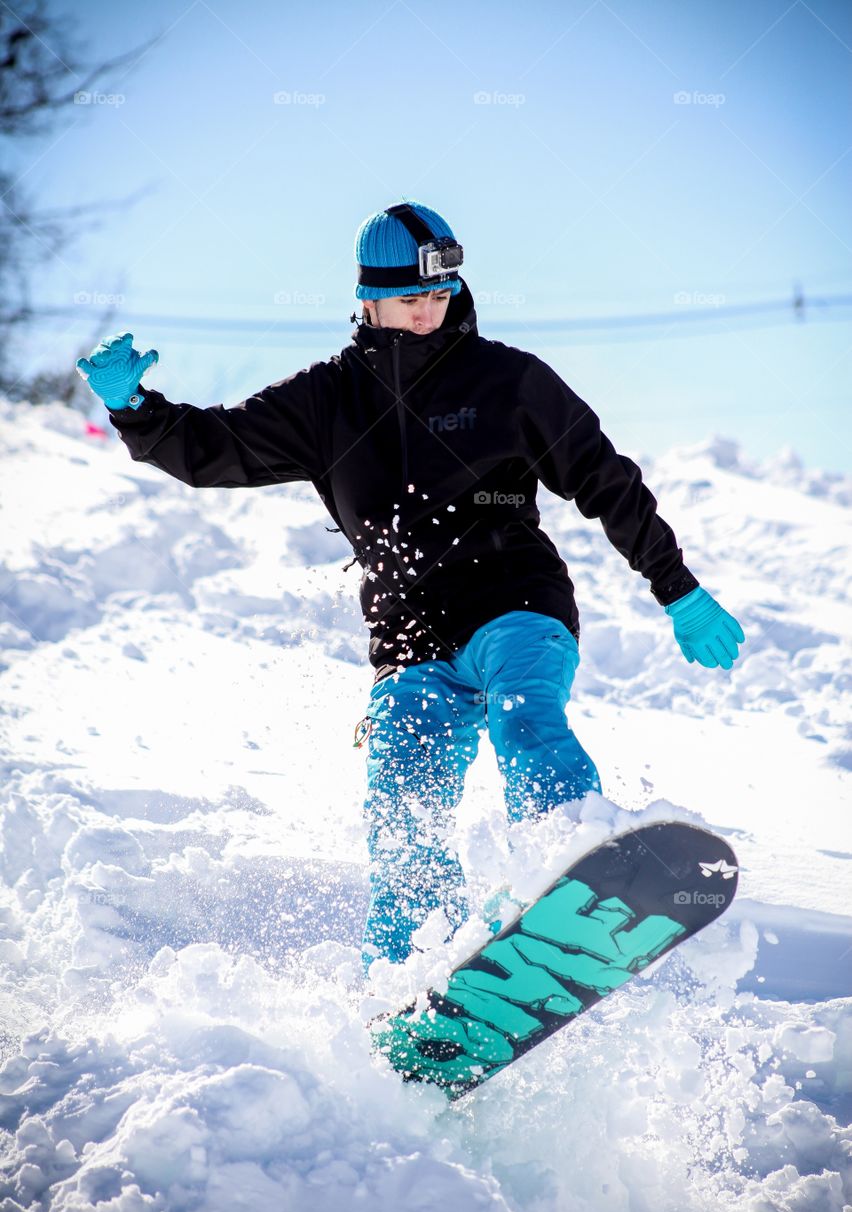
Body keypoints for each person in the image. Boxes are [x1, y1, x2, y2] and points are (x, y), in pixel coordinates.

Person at [76, 199, 746, 976]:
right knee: (402, 815)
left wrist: (679, 589)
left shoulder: (510, 381)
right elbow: (216, 448)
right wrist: (136, 409)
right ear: (367, 298)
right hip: (410, 639)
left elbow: (605, 479)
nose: (430, 311)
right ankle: (412, 981)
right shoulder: (326, 400)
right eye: (411, 298)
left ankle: (578, 872)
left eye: (441, 294)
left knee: (527, 729)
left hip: (514, 604)